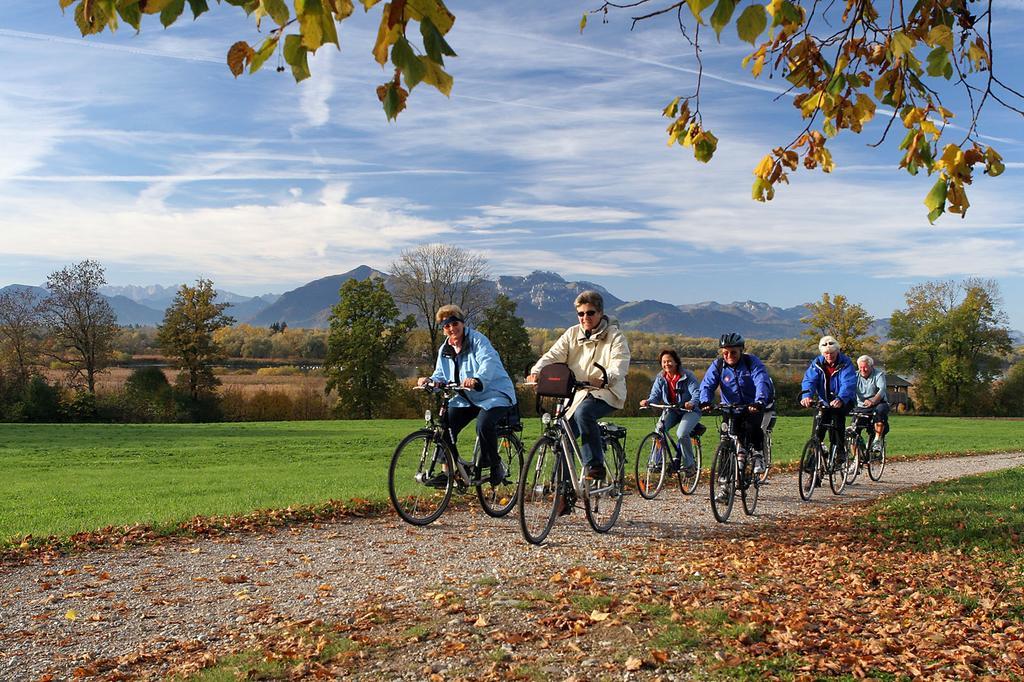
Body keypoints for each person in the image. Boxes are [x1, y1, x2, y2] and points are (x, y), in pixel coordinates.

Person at [527, 290, 631, 481]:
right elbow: (554, 355)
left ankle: (595, 465)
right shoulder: (572, 333)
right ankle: (566, 490)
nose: (585, 317)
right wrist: (537, 371)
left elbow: (620, 363)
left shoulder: (615, 336)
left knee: (584, 413)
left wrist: (606, 377)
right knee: (564, 435)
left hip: (607, 391)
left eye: (590, 313)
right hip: (578, 392)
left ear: (600, 313)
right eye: (581, 314)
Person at [417, 304, 518, 487]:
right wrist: (430, 381)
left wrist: (477, 379)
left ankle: (495, 464)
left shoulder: (478, 341)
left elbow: (488, 361)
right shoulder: (445, 349)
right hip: (465, 398)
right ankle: (447, 473)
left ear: (462, 323)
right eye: (447, 326)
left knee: (484, 424)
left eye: (454, 324)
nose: (451, 329)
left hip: (493, 393)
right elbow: (441, 373)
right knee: (445, 425)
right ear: (443, 329)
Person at [698, 332, 774, 476]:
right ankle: (724, 482)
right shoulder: (719, 365)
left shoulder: (751, 362)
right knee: (726, 441)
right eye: (725, 352)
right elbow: (707, 384)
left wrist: (759, 401)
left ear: (741, 350)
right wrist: (705, 401)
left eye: (733, 352)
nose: (729, 355)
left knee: (753, 427)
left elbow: (761, 381)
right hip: (730, 407)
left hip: (752, 406)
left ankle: (758, 455)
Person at [640, 348, 701, 475]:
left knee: (682, 433)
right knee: (659, 431)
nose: (666, 364)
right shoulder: (661, 377)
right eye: (664, 362)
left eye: (669, 361)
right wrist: (648, 401)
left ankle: (690, 465)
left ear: (676, 362)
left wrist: (691, 403)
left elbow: (696, 393)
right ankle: (656, 462)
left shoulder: (687, 376)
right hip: (672, 410)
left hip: (689, 411)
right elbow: (655, 395)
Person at [799, 335, 857, 463]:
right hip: (825, 400)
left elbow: (848, 383)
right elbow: (810, 380)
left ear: (837, 351)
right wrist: (806, 396)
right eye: (826, 353)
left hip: (844, 399)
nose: (829, 356)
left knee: (837, 417)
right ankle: (812, 464)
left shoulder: (845, 363)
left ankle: (840, 450)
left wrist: (841, 398)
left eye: (831, 353)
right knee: (817, 429)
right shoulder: (817, 363)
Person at [855, 354, 890, 452]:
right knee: (853, 430)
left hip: (878, 403)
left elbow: (882, 390)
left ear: (871, 366)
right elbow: (848, 388)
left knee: (880, 412)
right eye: (861, 367)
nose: (863, 370)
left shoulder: (878, 375)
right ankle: (856, 458)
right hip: (861, 406)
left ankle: (877, 440)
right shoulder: (855, 376)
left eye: (865, 367)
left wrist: (873, 401)